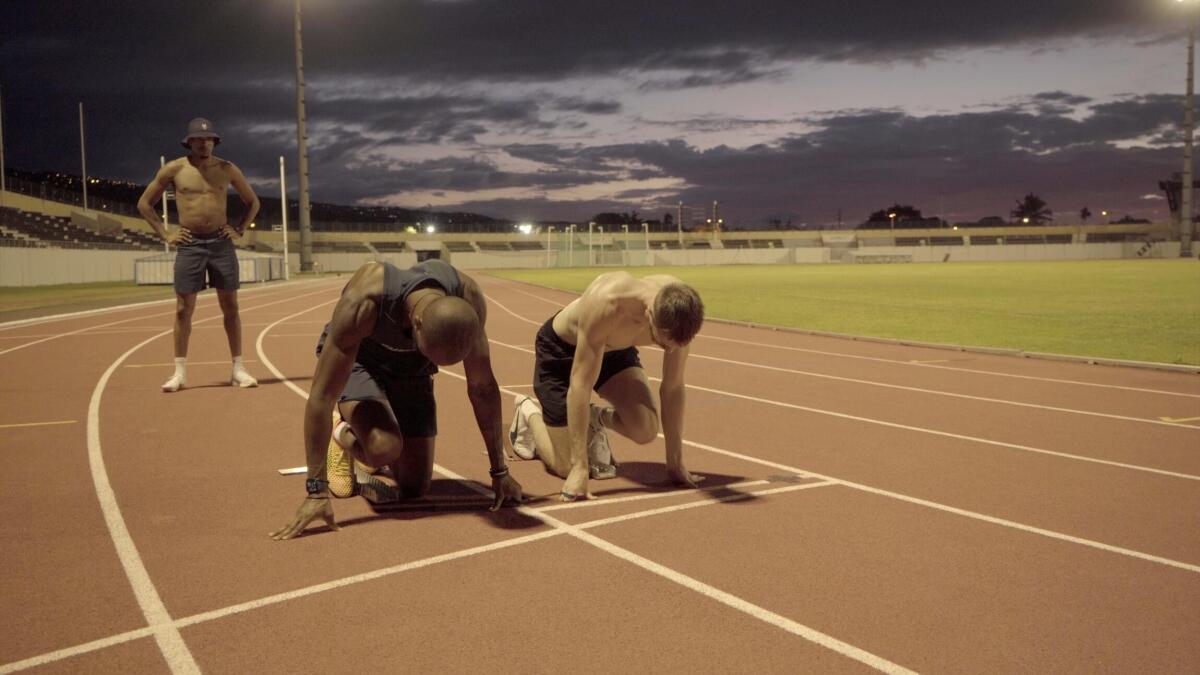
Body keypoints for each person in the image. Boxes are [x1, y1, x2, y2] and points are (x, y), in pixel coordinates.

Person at [270, 259, 524, 540]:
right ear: (417, 323)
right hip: (360, 360)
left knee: (414, 488)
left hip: (412, 368)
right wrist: (316, 491)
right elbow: (321, 396)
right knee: (384, 447)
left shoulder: (469, 300)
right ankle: (342, 434)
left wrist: (500, 472)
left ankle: (369, 434)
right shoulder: (364, 301)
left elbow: (482, 387)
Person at [508, 271, 705, 501]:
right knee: (565, 466)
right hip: (561, 353)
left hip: (615, 350)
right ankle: (528, 412)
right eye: (661, 343)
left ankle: (593, 418)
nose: (670, 351)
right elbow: (580, 383)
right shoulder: (608, 302)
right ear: (649, 315)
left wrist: (675, 463)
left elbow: (672, 387)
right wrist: (580, 467)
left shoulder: (680, 309)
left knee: (645, 429)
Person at [136, 117, 260, 392]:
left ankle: (238, 368)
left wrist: (239, 228)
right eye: (198, 139)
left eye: (209, 139)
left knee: (231, 308)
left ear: (214, 142)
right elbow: (145, 203)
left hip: (221, 243)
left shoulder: (227, 168)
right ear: (189, 142)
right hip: (190, 244)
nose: (204, 143)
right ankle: (180, 372)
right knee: (183, 309)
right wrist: (165, 233)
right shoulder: (174, 169)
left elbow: (253, 202)